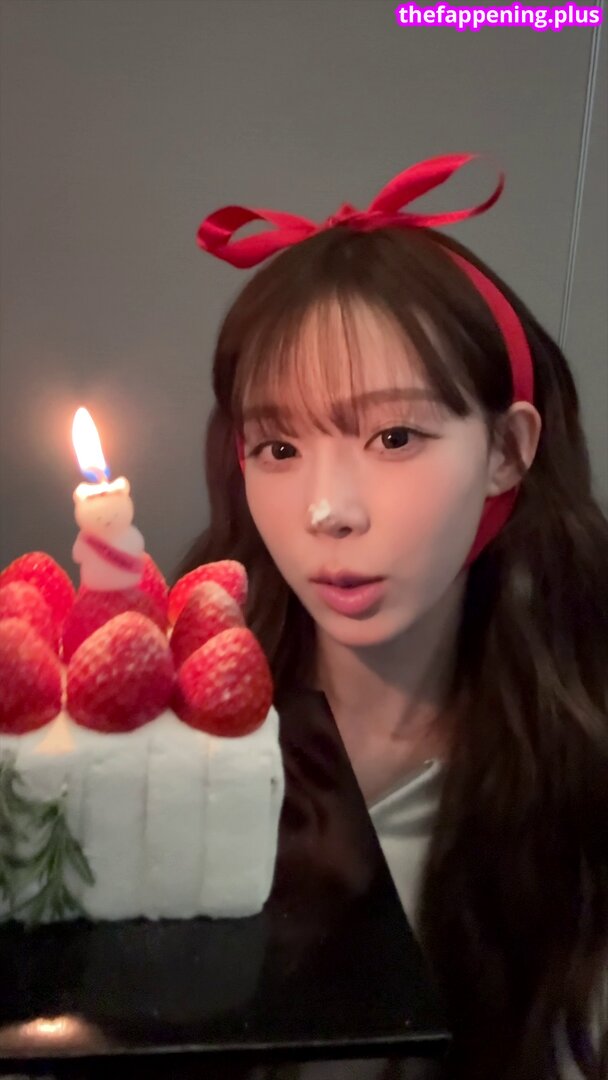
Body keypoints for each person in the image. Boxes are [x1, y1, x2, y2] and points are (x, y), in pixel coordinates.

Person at [180, 154, 608, 1080]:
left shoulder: (581, 774)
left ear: (506, 451)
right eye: (278, 446)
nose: (328, 510)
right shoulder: (177, 737)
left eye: (395, 436)